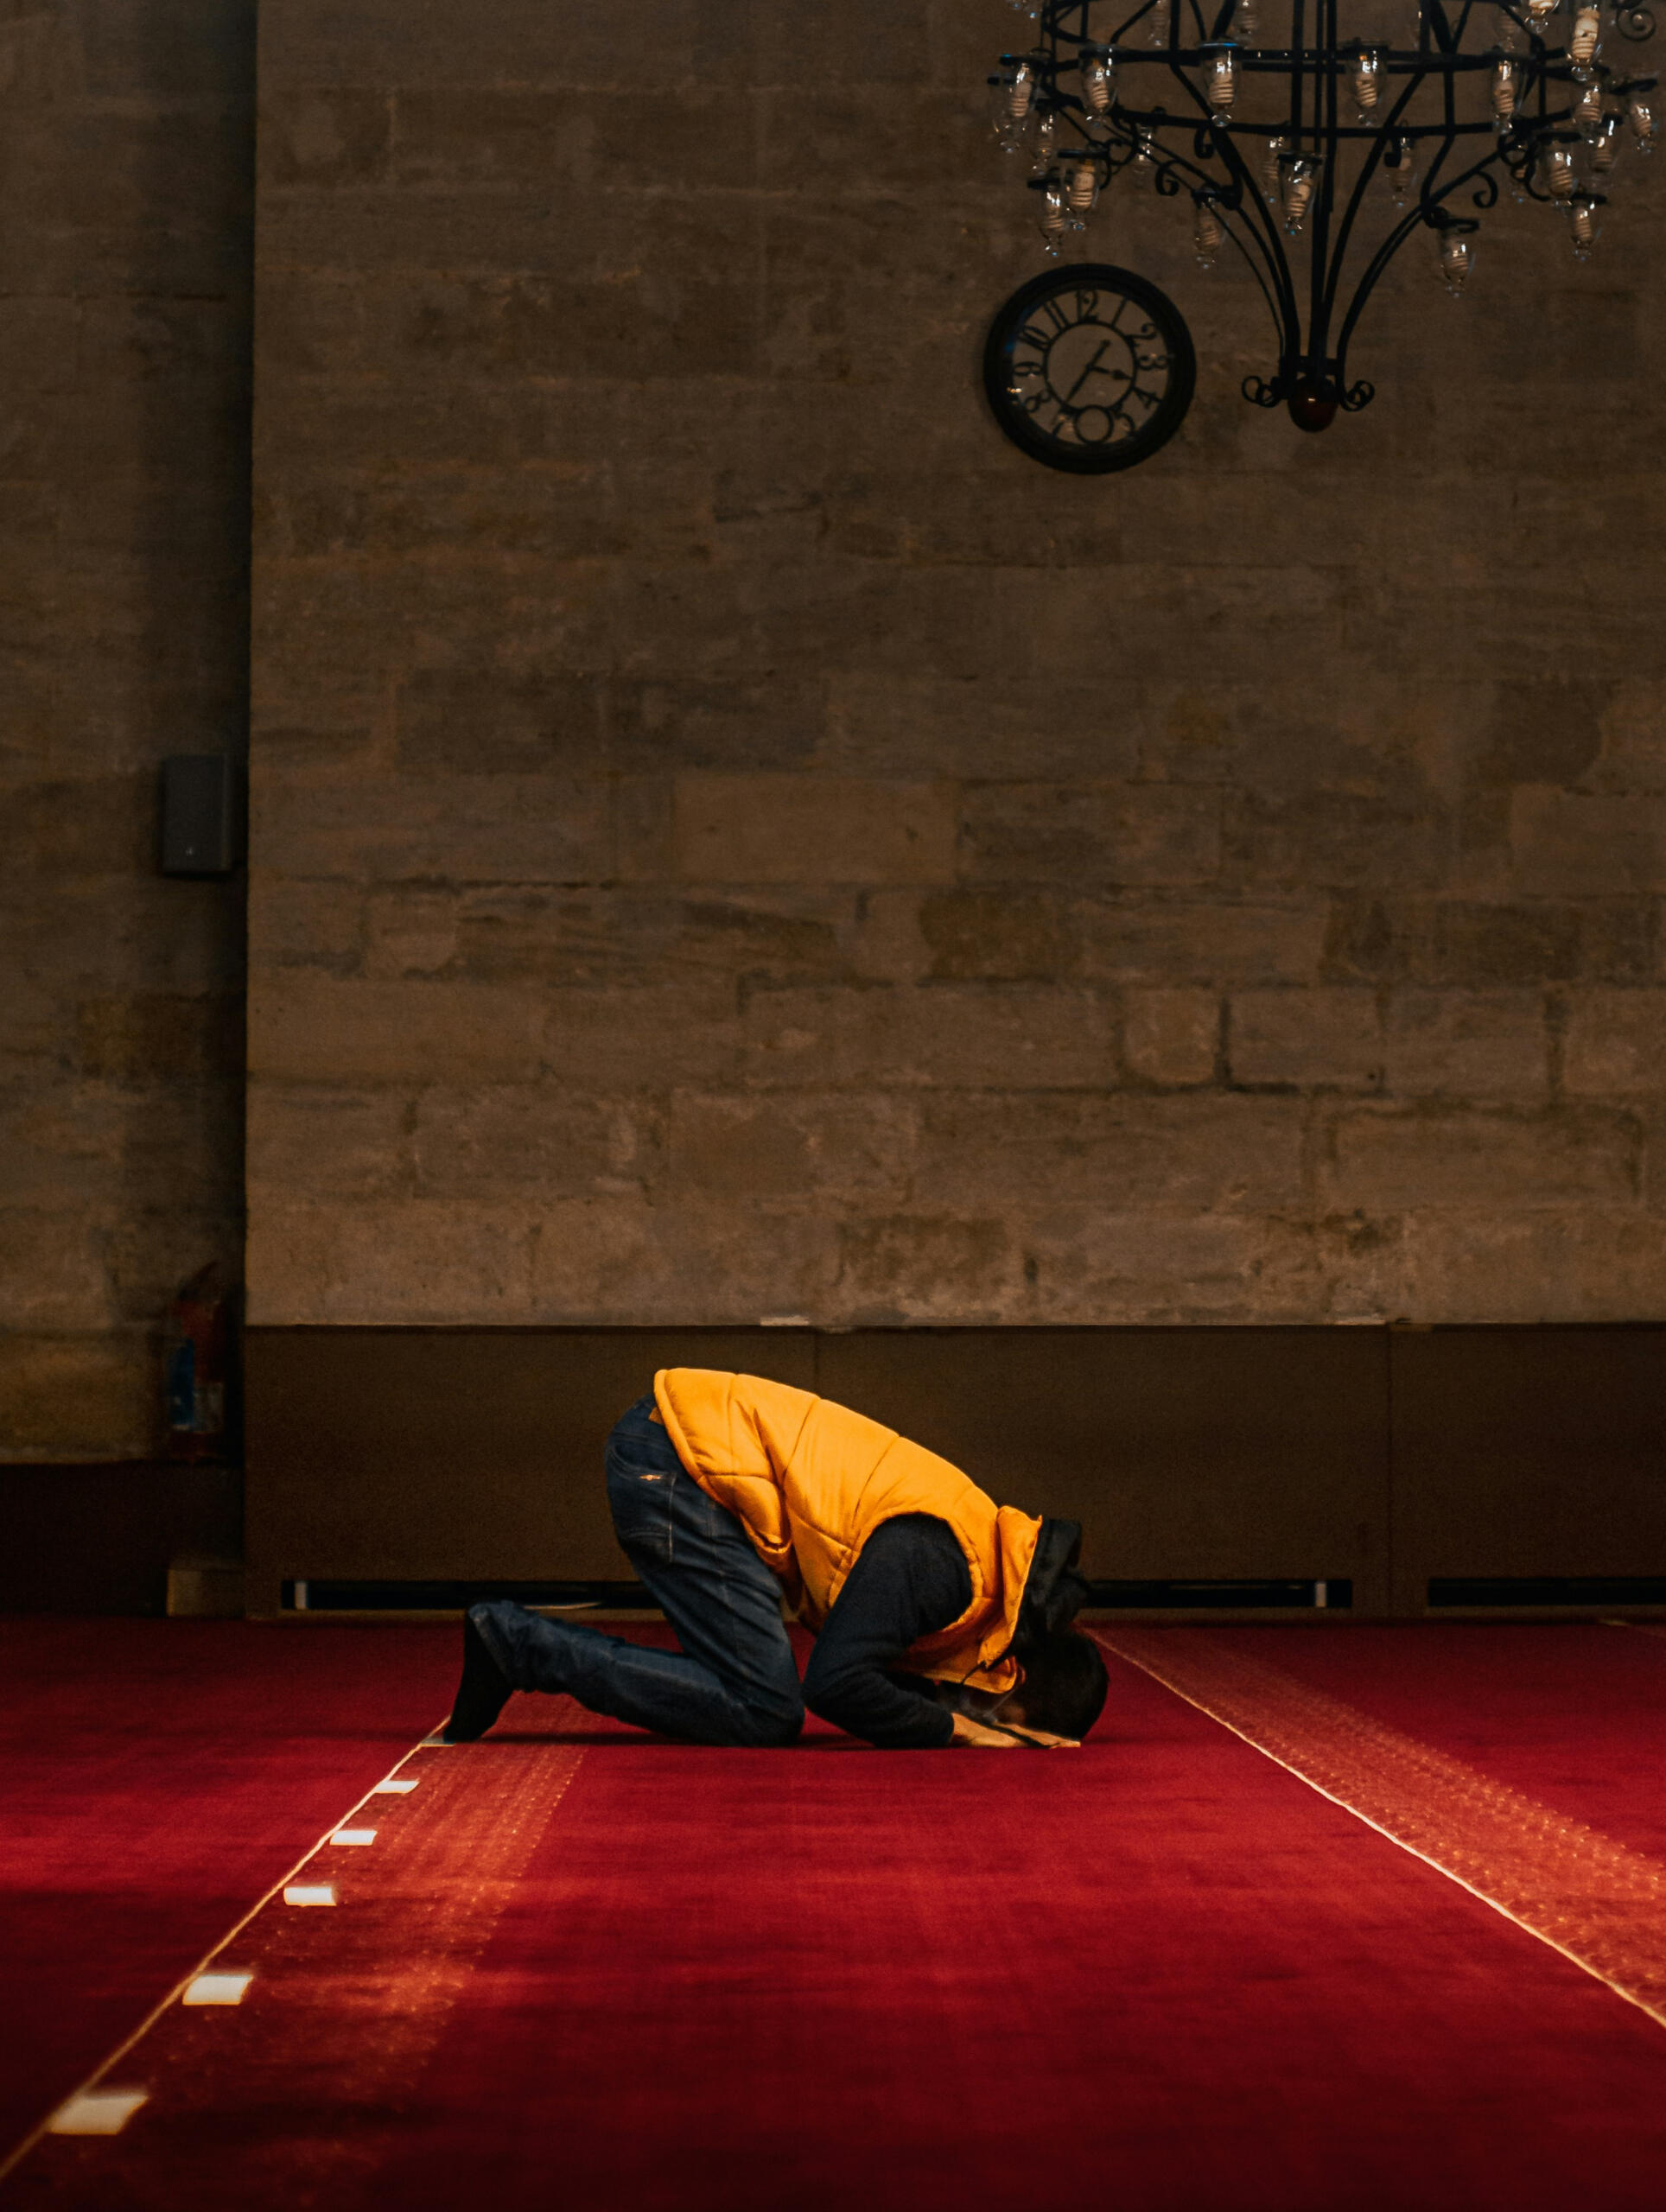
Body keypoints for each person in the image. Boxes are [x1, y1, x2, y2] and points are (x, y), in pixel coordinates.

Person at [442, 1368, 1109, 1751]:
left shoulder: (981, 1580)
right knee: (765, 1708)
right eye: (1005, 1719)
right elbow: (837, 1682)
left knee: (753, 1692)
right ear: (1010, 1674)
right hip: (680, 1462)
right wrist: (959, 1734)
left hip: (683, 1456)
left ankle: (516, 1645)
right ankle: (516, 1645)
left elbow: (878, 1674)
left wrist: (938, 1715)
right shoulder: (950, 1567)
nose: (986, 1717)